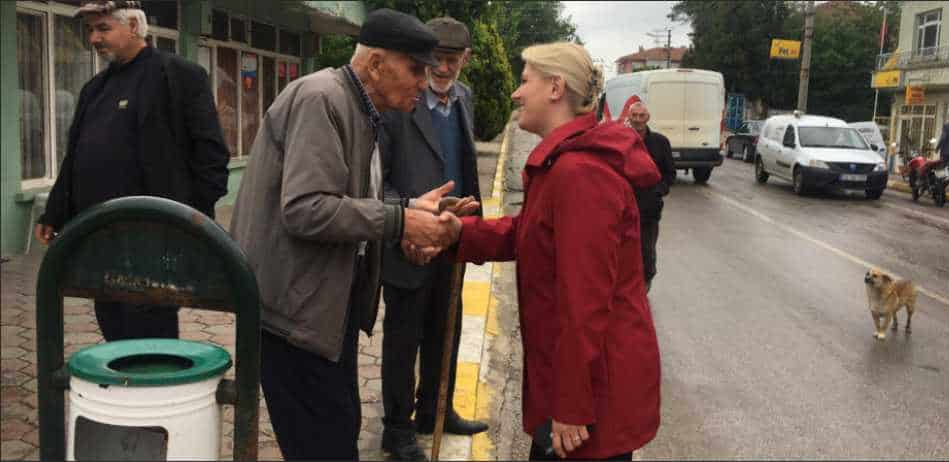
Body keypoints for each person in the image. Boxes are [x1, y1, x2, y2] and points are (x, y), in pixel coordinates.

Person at [228, 9, 467, 461]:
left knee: (338, 434)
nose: (425, 79)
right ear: (376, 65)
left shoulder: (361, 106)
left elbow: (349, 204)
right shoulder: (323, 99)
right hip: (292, 316)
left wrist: (408, 216)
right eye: (416, 68)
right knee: (325, 445)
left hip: (323, 312)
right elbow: (305, 209)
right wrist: (399, 221)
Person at [438, 42, 662, 460]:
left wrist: (573, 405)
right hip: (576, 378)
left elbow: (586, 301)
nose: (516, 93)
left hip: (591, 391)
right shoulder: (566, 164)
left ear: (556, 88)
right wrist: (460, 234)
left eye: (525, 81)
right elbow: (531, 232)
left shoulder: (579, 174)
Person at [35, 0, 230, 341]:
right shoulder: (94, 89)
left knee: (149, 333)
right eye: (90, 30)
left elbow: (211, 155)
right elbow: (75, 157)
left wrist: (191, 221)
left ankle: (156, 391)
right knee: (113, 325)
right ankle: (122, 392)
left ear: (135, 27)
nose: (94, 38)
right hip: (101, 238)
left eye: (103, 28)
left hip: (156, 237)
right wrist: (54, 212)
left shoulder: (179, 75)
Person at [378, 16, 488, 461]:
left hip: (453, 237)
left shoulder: (464, 98)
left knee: (448, 328)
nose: (442, 70)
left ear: (466, 59)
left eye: (451, 60)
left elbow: (464, 159)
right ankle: (396, 429)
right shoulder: (398, 100)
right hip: (408, 237)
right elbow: (376, 180)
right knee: (403, 338)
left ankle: (435, 409)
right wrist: (403, 221)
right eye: (435, 60)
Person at [626, 102, 675, 290]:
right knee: (623, 252)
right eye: (634, 116)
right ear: (629, 118)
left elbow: (670, 174)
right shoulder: (621, 141)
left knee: (646, 252)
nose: (638, 120)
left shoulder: (660, 143)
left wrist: (658, 191)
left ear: (648, 118)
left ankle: (644, 287)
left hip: (649, 210)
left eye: (641, 116)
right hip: (623, 208)